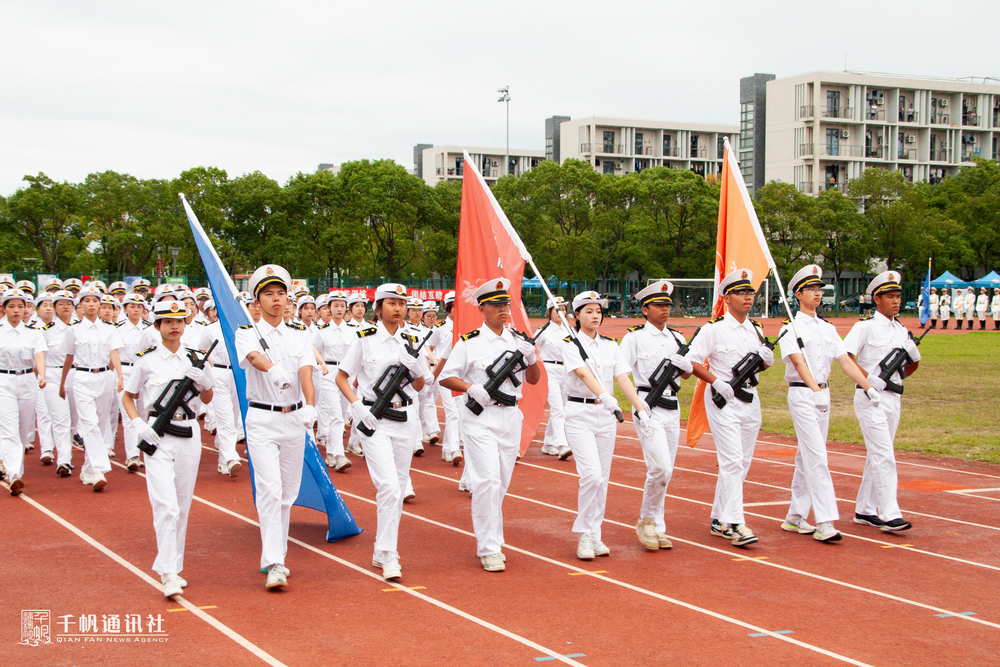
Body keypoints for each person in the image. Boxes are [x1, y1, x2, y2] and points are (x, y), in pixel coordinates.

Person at [439, 278, 542, 572]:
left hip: (510, 416)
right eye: (496, 305)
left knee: (502, 482)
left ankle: (492, 537)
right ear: (482, 308)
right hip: (480, 418)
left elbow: (532, 380)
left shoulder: (517, 341)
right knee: (487, 481)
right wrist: (471, 388)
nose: (502, 310)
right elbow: (446, 376)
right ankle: (489, 546)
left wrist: (531, 357)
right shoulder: (469, 341)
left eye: (505, 304)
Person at [777, 265, 880, 543]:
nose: (817, 294)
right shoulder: (791, 328)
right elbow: (798, 362)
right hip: (803, 395)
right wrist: (814, 389)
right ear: (798, 294)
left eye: (819, 289)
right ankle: (824, 521)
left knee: (807, 455)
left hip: (824, 395)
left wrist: (868, 387)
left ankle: (795, 516)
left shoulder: (827, 328)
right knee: (817, 457)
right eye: (811, 289)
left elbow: (845, 359)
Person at [121, 299, 213, 598]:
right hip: (157, 435)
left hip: (189, 431)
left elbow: (208, 399)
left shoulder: (194, 358)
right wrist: (138, 425)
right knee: (166, 506)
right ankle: (168, 573)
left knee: (183, 506)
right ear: (157, 326)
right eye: (168, 322)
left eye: (180, 321)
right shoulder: (146, 360)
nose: (175, 326)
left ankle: (174, 566)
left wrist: (205, 379)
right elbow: (128, 396)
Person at [336, 283, 428, 581]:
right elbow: (341, 376)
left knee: (398, 488)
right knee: (388, 486)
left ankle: (382, 548)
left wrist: (417, 371)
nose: (398, 308)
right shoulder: (364, 340)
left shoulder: (413, 339)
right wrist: (356, 407)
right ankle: (389, 553)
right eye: (391, 303)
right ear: (378, 308)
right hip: (374, 419)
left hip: (405, 417)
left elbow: (419, 386)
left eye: (402, 303)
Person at [235, 264, 317, 590]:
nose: (275, 300)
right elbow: (254, 358)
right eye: (268, 294)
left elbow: (306, 373)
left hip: (294, 418)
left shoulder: (301, 333)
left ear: (288, 298)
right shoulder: (247, 332)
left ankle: (274, 553)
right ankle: (275, 562)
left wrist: (309, 405)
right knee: (269, 488)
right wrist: (272, 370)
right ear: (257, 302)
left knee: (287, 493)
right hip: (262, 419)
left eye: (280, 293)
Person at [685, 269, 776, 547]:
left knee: (742, 463)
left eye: (750, 292)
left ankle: (719, 518)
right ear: (727, 297)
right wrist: (716, 381)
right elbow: (691, 361)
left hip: (750, 399)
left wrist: (766, 361)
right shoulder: (713, 329)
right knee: (732, 460)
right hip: (723, 400)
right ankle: (736, 523)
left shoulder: (756, 330)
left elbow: (759, 365)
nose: (748, 297)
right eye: (741, 293)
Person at [562, 291, 648, 559]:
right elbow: (583, 373)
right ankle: (584, 535)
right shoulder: (569, 344)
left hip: (605, 417)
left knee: (603, 479)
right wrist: (603, 395)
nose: (595, 316)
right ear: (576, 316)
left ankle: (595, 535)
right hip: (579, 414)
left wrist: (640, 408)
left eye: (598, 311)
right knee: (591, 475)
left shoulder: (611, 345)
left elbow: (623, 378)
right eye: (588, 311)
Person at [620, 281, 693, 551]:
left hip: (672, 406)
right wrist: (639, 407)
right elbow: (622, 373)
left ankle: (657, 525)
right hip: (647, 406)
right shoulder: (634, 338)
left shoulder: (677, 338)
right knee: (660, 467)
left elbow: (686, 374)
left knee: (667, 470)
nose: (665, 309)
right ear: (645, 308)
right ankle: (646, 520)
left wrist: (687, 367)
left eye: (667, 305)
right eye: (659, 305)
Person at [844, 270, 917, 532]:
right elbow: (846, 357)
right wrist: (868, 380)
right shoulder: (864, 327)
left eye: (898, 296)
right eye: (890, 297)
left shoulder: (901, 330)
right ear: (877, 299)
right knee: (884, 454)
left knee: (878, 453)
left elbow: (907, 370)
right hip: (869, 397)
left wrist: (914, 358)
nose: (896, 301)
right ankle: (889, 513)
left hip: (893, 397)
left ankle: (865, 509)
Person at [58, 287, 124, 491]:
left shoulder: (109, 329)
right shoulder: (73, 330)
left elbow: (114, 354)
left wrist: (120, 376)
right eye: (87, 301)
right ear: (81, 306)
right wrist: (62, 384)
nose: (92, 304)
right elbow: (69, 358)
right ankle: (99, 469)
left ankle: (87, 469)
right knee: (90, 423)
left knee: (101, 423)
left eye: (95, 301)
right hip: (82, 377)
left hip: (104, 376)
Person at [0, 289, 47, 496]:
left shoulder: (34, 332)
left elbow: (39, 356)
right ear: (4, 309)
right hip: (3, 380)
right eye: (11, 306)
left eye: (20, 306)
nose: (16, 310)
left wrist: (42, 374)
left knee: (23, 428)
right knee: (8, 427)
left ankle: (14, 470)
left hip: (27, 380)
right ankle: (14, 474)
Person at [198, 295, 245, 478]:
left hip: (238, 374)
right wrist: (209, 364)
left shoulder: (242, 329)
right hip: (219, 373)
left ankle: (223, 461)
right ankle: (232, 457)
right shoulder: (211, 330)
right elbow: (200, 349)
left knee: (233, 417)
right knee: (225, 419)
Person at [33, 291, 75, 475]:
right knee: (60, 419)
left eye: (69, 303)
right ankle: (64, 460)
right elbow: (38, 356)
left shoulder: (79, 328)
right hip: (53, 374)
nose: (65, 307)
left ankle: (68, 455)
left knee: (75, 420)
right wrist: (42, 375)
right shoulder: (45, 330)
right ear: (55, 307)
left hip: (76, 374)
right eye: (61, 304)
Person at [314, 290, 353, 472]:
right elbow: (313, 349)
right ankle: (339, 455)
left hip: (346, 374)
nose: (339, 309)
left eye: (342, 306)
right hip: (328, 374)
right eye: (335, 305)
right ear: (329, 308)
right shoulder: (322, 332)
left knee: (342, 416)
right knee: (335, 414)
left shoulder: (353, 332)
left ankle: (330, 452)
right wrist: (321, 364)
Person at [117, 293, 151, 472]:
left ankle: (142, 450)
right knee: (128, 414)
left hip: (145, 372)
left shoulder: (149, 328)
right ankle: (132, 455)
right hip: (126, 371)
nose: (136, 310)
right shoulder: (118, 329)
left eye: (139, 307)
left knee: (144, 413)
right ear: (125, 309)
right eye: (132, 306)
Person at [535, 296, 571, 459]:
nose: (561, 312)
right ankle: (561, 444)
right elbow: (531, 349)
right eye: (557, 309)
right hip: (549, 370)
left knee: (563, 407)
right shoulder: (543, 331)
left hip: (566, 370)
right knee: (557, 408)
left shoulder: (569, 330)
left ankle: (549, 443)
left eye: (563, 309)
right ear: (549, 312)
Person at [429, 291, 463, 465]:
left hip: (461, 375)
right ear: (448, 308)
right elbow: (429, 348)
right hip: (443, 374)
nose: (456, 310)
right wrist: (431, 374)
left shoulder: (466, 327)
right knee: (453, 412)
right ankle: (454, 448)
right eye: (453, 306)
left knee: (460, 412)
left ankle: (447, 449)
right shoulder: (440, 328)